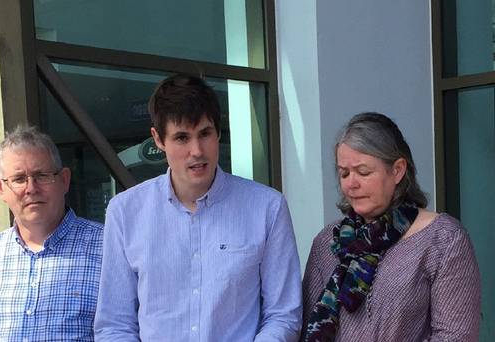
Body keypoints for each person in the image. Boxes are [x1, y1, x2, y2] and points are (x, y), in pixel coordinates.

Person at [94, 74, 302, 341]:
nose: (197, 151)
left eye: (205, 134)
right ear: (158, 139)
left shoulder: (267, 208)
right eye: (182, 138)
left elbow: (284, 314)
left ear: (218, 131)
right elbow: (114, 324)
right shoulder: (125, 212)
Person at [301, 112, 481, 342]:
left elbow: (456, 337)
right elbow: (305, 327)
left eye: (363, 172)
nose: (351, 184)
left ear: (397, 170)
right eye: (344, 173)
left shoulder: (443, 240)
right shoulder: (328, 242)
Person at [0, 126, 103, 341]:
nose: (31, 188)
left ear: (64, 180)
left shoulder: (110, 248)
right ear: (0, 189)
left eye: (41, 176)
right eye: (19, 179)